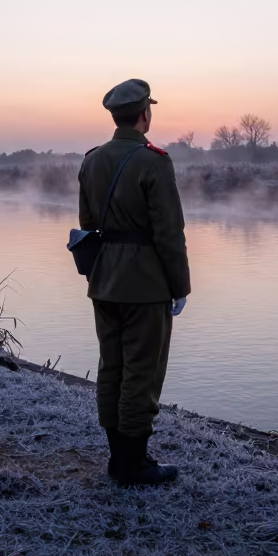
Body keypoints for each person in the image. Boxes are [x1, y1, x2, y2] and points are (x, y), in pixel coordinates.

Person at [78, 78, 191, 485]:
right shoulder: (154, 161)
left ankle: (117, 458)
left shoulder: (91, 160)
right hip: (146, 285)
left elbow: (87, 225)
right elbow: (168, 232)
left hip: (104, 280)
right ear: (146, 113)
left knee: (112, 367)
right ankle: (134, 464)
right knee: (142, 371)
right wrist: (180, 285)